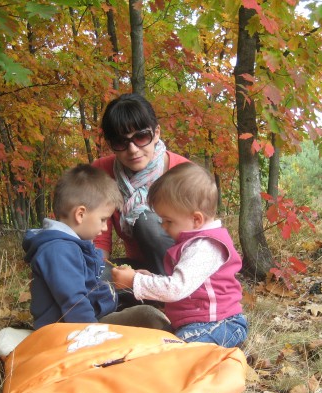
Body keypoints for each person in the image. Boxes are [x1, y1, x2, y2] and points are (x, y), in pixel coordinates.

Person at [111, 163, 248, 348]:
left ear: (196, 219)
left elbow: (176, 288)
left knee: (174, 351)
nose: (163, 226)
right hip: (198, 325)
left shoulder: (205, 246)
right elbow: (183, 282)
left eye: (168, 221)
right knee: (159, 344)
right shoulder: (194, 243)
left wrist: (135, 281)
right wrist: (151, 278)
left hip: (220, 325)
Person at [22, 164, 171, 331]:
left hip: (88, 319)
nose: (105, 228)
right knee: (150, 318)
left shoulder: (71, 245)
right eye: (102, 219)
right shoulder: (58, 250)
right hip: (70, 331)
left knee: (146, 311)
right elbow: (74, 302)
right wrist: (93, 337)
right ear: (80, 214)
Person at [92, 93, 190, 277]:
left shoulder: (183, 173)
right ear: (111, 144)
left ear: (156, 133)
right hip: (140, 269)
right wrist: (96, 276)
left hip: (183, 272)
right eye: (121, 141)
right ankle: (147, 293)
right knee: (90, 278)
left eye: (141, 137)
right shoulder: (102, 171)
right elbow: (99, 239)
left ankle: (170, 296)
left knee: (145, 219)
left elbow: (201, 238)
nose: (133, 149)